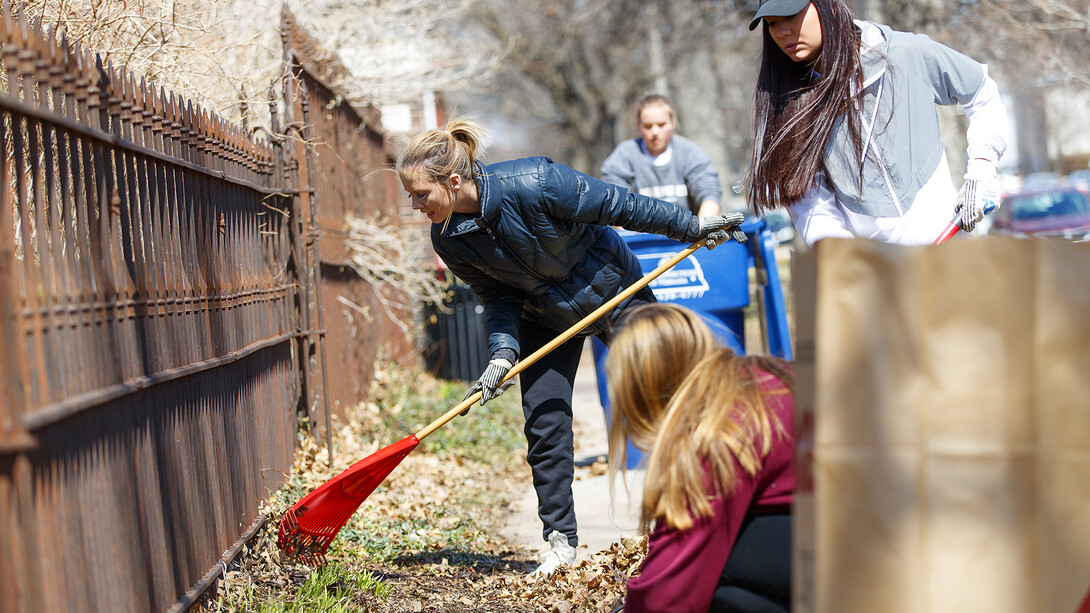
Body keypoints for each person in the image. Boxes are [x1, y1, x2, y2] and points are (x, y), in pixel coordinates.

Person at [395, 118, 746, 577]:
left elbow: (622, 205)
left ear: (453, 181)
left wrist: (690, 228)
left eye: (421, 194)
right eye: (411, 196)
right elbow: (496, 296)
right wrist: (503, 354)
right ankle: (559, 541)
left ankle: (712, 507)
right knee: (544, 425)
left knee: (666, 396)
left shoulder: (536, 182)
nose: (415, 205)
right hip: (541, 316)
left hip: (613, 290)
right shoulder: (448, 238)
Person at [746, 0, 1010, 246]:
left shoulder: (906, 53)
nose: (782, 32)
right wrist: (850, 263)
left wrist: (982, 167)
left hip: (950, 255)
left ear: (830, 6)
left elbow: (981, 92)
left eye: (791, 16)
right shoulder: (789, 108)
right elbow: (813, 208)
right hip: (878, 279)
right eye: (771, 23)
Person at [605, 304, 794, 613]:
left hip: (866, 568)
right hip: (876, 540)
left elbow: (667, 595)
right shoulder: (760, 377)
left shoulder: (719, 430)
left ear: (644, 398)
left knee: (721, 574)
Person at [601, 95, 724, 217]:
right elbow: (614, 202)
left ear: (672, 122)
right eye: (647, 126)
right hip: (638, 236)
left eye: (661, 125)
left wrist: (700, 229)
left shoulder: (689, 152)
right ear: (638, 125)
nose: (655, 132)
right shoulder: (624, 155)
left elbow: (710, 194)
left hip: (687, 235)